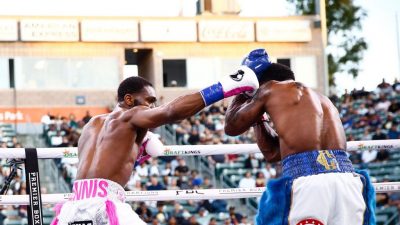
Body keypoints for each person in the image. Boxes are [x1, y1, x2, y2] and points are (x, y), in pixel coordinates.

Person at [51, 56, 265, 225]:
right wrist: (228, 85)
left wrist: (136, 149)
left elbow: (102, 166)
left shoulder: (91, 125)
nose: (152, 107)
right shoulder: (130, 115)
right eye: (149, 101)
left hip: (72, 209)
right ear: (128, 99)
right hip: (104, 207)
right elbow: (171, 112)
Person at [224, 49, 375, 225]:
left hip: (308, 185)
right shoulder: (324, 99)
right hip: (349, 182)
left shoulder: (270, 88)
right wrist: (260, 118)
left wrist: (242, 88)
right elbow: (272, 153)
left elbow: (231, 127)